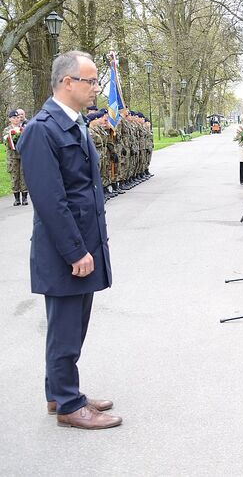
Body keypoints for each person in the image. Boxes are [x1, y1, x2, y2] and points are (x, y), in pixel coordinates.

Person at [17, 51, 121, 429]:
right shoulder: (41, 130)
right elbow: (50, 200)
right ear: (67, 82)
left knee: (72, 326)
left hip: (83, 242)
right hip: (66, 249)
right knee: (65, 328)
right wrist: (76, 251)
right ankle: (68, 404)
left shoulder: (73, 124)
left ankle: (59, 392)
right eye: (91, 81)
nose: (96, 88)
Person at [4, 109, 28, 206]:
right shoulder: (7, 130)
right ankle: (17, 198)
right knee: (15, 177)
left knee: (24, 176)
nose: (16, 119)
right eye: (14, 118)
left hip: (23, 155)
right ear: (10, 119)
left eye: (18, 117)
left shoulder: (24, 128)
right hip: (12, 157)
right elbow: (6, 141)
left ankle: (25, 198)